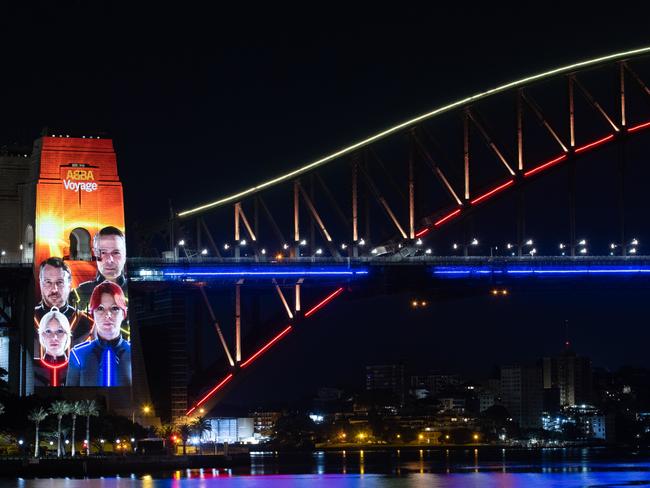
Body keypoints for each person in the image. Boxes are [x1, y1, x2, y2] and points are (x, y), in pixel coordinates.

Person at [66, 281, 131, 387]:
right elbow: (70, 399)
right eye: (100, 308)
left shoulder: (134, 353)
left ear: (123, 313)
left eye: (114, 308)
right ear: (92, 313)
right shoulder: (78, 354)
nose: (108, 315)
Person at [34, 257, 93, 349]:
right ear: (40, 283)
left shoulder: (86, 323)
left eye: (60, 282)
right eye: (48, 282)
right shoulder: (29, 319)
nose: (54, 289)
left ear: (69, 285)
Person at [72, 226, 127, 312]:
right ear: (94, 253)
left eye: (116, 252)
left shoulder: (138, 292)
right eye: (103, 252)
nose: (109, 260)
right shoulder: (78, 294)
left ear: (125, 254)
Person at [33, 308, 72, 387]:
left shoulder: (76, 367)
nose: (54, 337)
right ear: (41, 335)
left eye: (60, 331)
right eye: (48, 331)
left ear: (67, 335)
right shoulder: (32, 366)